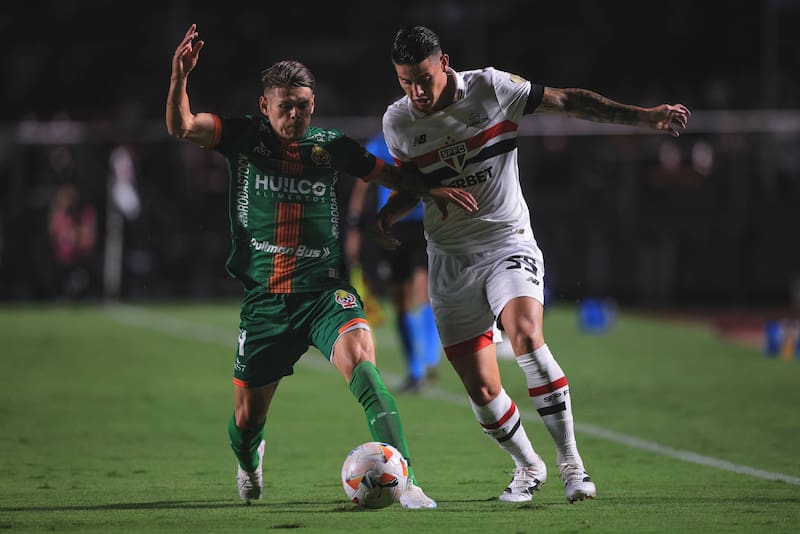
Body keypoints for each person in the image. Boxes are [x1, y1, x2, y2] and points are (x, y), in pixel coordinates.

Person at [166, 24, 477, 509]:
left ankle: (407, 480)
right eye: (285, 105)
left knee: (367, 373)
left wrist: (430, 190)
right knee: (247, 422)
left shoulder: (331, 147)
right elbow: (182, 126)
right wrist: (179, 77)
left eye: (303, 105)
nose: (295, 114)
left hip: (326, 293)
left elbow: (387, 174)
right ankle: (250, 460)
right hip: (267, 302)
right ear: (265, 105)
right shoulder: (243, 137)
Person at [375, 25, 690, 504]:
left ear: (445, 62)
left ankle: (572, 466)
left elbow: (568, 101)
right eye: (404, 81)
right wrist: (386, 216)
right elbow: (414, 183)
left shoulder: (491, 88)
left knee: (525, 334)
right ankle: (528, 466)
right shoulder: (397, 123)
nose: (416, 91)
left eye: (423, 77)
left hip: (507, 241)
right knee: (481, 388)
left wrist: (644, 118)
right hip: (449, 259)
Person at [347, 132, 442, 393]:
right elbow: (361, 188)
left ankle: (431, 359)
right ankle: (415, 370)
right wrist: (354, 228)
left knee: (423, 291)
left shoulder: (422, 138)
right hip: (392, 227)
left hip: (423, 225)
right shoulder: (377, 144)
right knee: (400, 301)